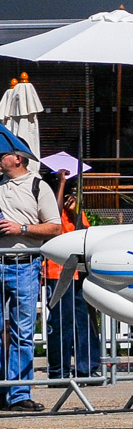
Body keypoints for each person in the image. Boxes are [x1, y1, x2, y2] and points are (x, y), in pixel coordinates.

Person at [0, 148, 63, 411]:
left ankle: (19, 395)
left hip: (24, 265)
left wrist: (21, 228)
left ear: (18, 159)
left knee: (22, 333)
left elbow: (55, 226)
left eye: (2, 154)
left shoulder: (38, 186)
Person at [43, 171, 101, 381]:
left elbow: (85, 230)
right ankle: (59, 369)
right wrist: (60, 183)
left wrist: (76, 210)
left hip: (79, 269)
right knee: (61, 322)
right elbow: (53, 219)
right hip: (57, 271)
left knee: (84, 319)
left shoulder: (74, 205)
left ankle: (87, 367)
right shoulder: (47, 199)